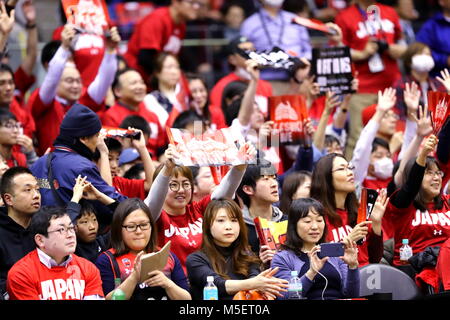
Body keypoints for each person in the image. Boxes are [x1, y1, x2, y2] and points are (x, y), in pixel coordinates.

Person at [144, 142, 256, 272]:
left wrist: (240, 165)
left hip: (208, 281)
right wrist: (167, 169)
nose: (181, 190)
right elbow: (153, 201)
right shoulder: (154, 216)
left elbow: (225, 193)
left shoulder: (199, 209)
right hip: (172, 285)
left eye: (186, 184)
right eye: (173, 185)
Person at [27, 23, 121, 155]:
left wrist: (110, 51)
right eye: (69, 81)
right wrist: (64, 47)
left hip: (82, 168)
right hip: (52, 169)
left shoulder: (83, 101)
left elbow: (104, 80)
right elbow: (52, 76)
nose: (76, 86)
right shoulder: (45, 102)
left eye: (78, 81)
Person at [335, 0, 407, 159]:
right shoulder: (345, 16)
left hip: (390, 86)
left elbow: (403, 49)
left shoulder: (390, 12)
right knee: (358, 137)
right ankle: (351, 180)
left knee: (394, 133)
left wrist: (387, 47)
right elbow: (338, 51)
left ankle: (391, 178)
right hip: (361, 88)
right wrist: (361, 54)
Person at [30, 104, 126, 220]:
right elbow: (112, 204)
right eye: (97, 136)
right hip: (70, 234)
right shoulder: (82, 167)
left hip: (39, 233)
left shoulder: (38, 163)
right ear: (83, 139)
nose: (99, 141)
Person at [186, 198, 288, 300]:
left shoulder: (247, 255)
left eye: (234, 220)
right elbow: (217, 284)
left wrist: (262, 282)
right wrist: (255, 283)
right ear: (208, 226)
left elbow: (254, 278)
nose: (228, 227)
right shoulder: (195, 260)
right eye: (221, 220)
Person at [384, 135, 450, 291]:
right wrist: (423, 153)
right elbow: (411, 185)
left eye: (438, 173)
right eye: (429, 173)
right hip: (412, 272)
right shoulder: (403, 204)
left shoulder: (447, 202)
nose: (436, 178)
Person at [95, 198, 191, 300]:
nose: (139, 231)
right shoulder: (107, 260)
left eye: (144, 225)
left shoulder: (167, 256)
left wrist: (168, 284)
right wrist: (134, 277)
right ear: (119, 229)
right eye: (131, 226)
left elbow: (187, 298)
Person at [6, 206, 104, 300]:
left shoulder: (88, 268)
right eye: (61, 230)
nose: (70, 235)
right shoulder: (21, 274)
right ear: (40, 240)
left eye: (71, 228)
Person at [271, 198, 360, 300]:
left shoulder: (334, 253)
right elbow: (286, 296)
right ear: (294, 225)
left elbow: (352, 295)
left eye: (319, 220)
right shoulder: (282, 258)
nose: (315, 226)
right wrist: (311, 272)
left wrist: (353, 266)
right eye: (307, 221)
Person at [310, 153, 387, 266]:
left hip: (367, 277)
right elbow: (315, 256)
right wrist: (347, 241)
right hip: (338, 280)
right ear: (325, 176)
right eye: (342, 169)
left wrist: (376, 223)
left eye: (350, 168)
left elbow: (375, 258)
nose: (350, 172)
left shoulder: (358, 213)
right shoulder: (315, 217)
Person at [124, 0, 207, 82]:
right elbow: (145, 57)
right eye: (191, 3)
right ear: (175, 2)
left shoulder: (181, 25)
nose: (196, 7)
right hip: (137, 78)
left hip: (158, 80)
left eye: (198, 3)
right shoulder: (157, 19)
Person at [240, 0, 312, 95]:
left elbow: (307, 50)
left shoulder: (295, 20)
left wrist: (304, 75)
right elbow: (242, 53)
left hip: (297, 81)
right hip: (263, 83)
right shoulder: (249, 24)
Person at [101, 68, 167, 160]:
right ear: (118, 91)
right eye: (133, 83)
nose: (140, 86)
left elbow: (161, 150)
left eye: (142, 82)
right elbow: (113, 153)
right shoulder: (110, 116)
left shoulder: (152, 116)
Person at [236, 159, 286, 266]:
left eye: (274, 178)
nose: (274, 184)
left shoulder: (287, 221)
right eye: (266, 179)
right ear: (248, 189)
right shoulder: (238, 227)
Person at [0, 166, 40, 297]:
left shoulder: (44, 227)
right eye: (28, 190)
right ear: (8, 199)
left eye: (37, 189)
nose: (36, 195)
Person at [209, 36, 273, 117]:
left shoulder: (266, 86)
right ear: (232, 59)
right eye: (245, 51)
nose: (251, 54)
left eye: (253, 50)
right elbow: (217, 119)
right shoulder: (222, 86)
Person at [143, 53, 189, 128]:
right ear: (157, 72)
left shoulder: (186, 96)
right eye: (169, 67)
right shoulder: (150, 99)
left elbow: (197, 123)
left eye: (177, 67)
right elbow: (162, 126)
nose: (174, 72)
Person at [416, 0, 450, 75]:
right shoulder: (431, 25)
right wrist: (445, 60)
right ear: (442, 2)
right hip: (440, 78)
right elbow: (419, 49)